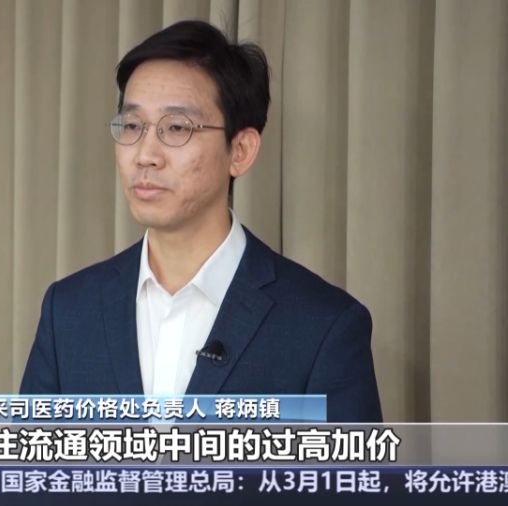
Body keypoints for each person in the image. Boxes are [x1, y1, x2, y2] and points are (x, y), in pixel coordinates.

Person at [20, 20, 382, 423]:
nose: (145, 155)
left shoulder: (323, 326)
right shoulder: (69, 311)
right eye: (133, 126)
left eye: (176, 127)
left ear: (240, 150)